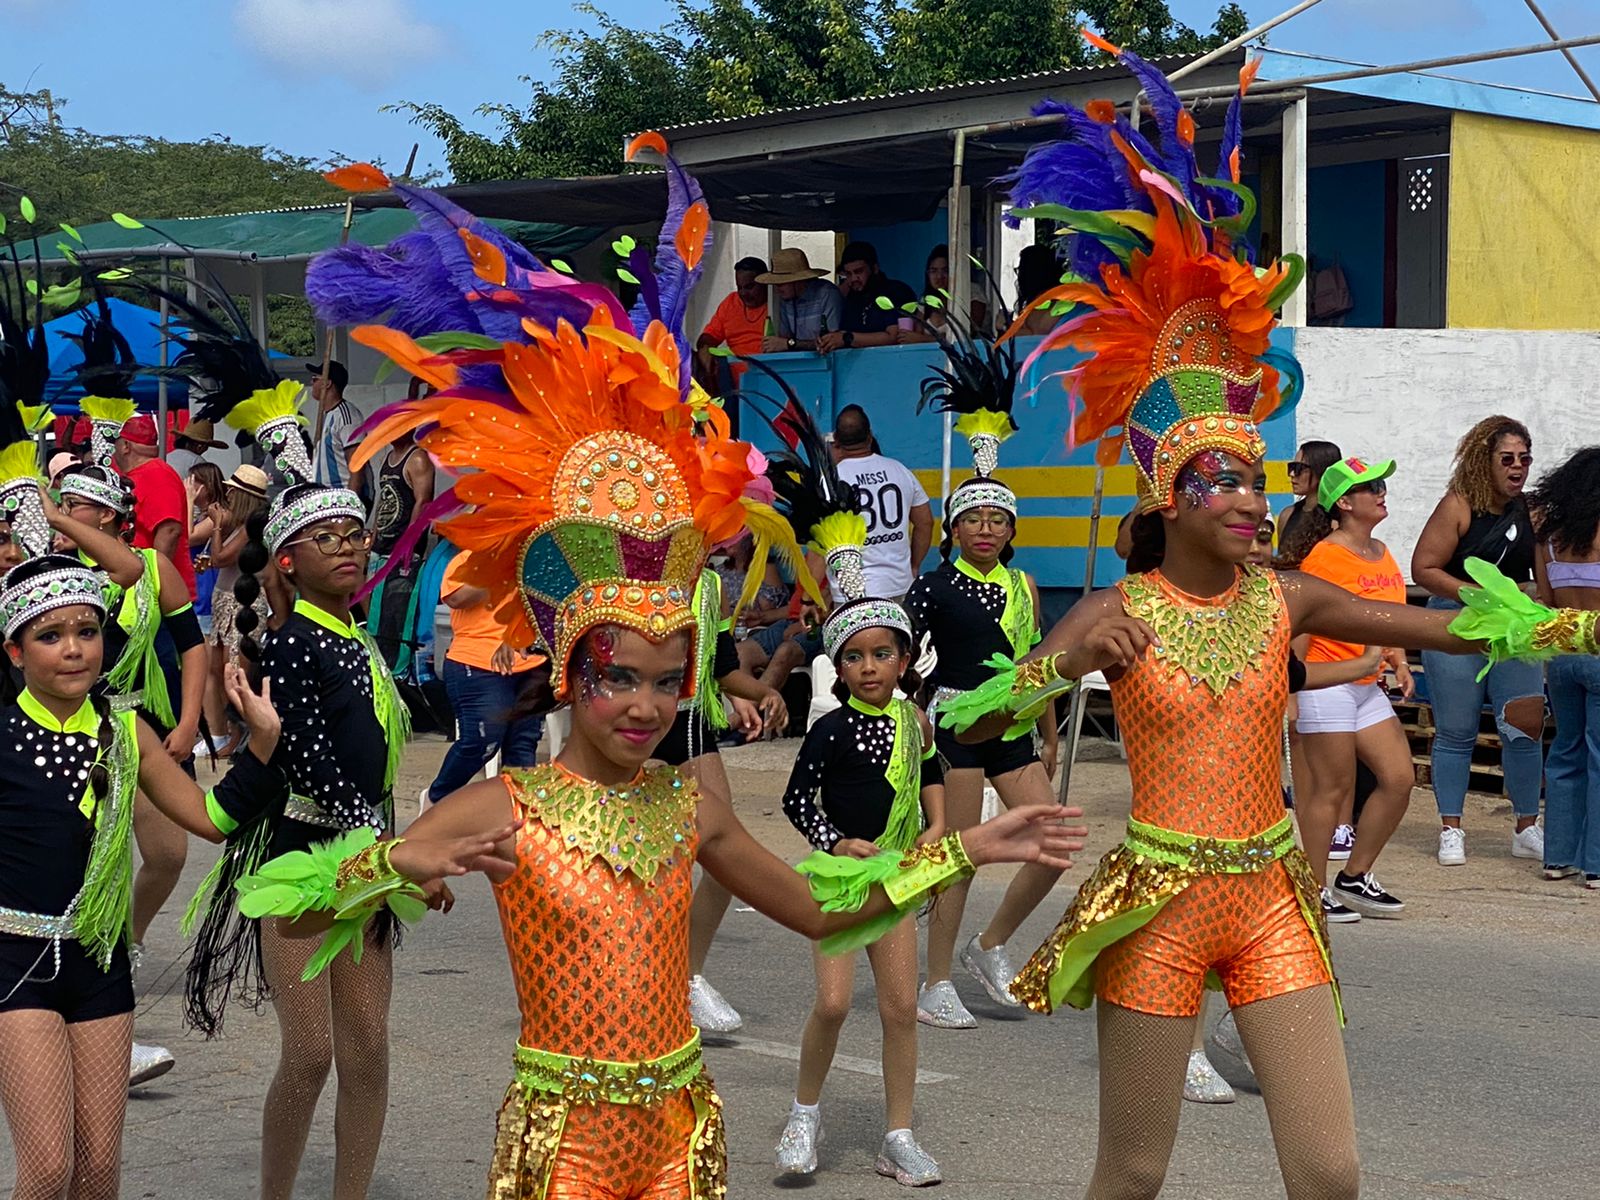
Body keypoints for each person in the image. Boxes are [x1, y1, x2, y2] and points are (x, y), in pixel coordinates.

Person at [233, 184, 1083, 1196]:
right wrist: (388, 868)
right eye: (617, 680)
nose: (644, 707)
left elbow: (817, 916)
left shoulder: (690, 806)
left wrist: (959, 849)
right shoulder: (511, 807)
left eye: (667, 683)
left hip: (684, 1136)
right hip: (565, 1150)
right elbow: (302, 903)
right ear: (566, 674)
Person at [932, 49, 1600, 1196]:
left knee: (1329, 1172)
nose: (1253, 500)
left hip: (1272, 898)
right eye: (1223, 481)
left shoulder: (1286, 596)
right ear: (1165, 496)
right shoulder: (1113, 608)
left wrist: (1576, 634)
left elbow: (1441, 629)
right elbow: (977, 712)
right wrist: (1057, 668)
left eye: (1259, 478)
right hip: (1155, 908)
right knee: (1133, 1175)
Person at [179, 377, 411, 1200]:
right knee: (310, 1054)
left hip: (368, 859)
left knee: (370, 1048)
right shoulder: (289, 641)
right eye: (329, 538)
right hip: (304, 855)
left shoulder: (357, 634)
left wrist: (388, 849)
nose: (350, 547)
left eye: (356, 534)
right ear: (288, 560)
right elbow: (305, 753)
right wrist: (382, 845)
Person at [0, 551, 286, 1200]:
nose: (74, 650)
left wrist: (263, 749)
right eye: (50, 636)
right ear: (15, 653)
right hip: (15, 963)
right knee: (47, 1171)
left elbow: (210, 820)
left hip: (101, 967)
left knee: (99, 1173)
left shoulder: (126, 729)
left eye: (87, 631)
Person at [903, 320, 1062, 1030]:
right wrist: (911, 715)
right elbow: (900, 655)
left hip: (1018, 725)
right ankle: (934, 980)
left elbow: (1037, 664)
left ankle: (989, 946)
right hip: (958, 724)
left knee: (1054, 844)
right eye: (976, 521)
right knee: (959, 857)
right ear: (956, 531)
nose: (988, 530)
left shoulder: (1025, 585)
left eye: (999, 520)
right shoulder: (935, 586)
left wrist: (1051, 728)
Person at [777, 572, 945, 1182]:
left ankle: (897, 1135)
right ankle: (804, 1115)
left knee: (901, 1008)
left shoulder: (916, 725)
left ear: (903, 661)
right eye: (855, 658)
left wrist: (938, 824)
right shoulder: (829, 729)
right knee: (833, 1002)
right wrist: (835, 842)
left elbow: (932, 771)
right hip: (841, 878)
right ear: (838, 668)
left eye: (882, 655)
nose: (869, 667)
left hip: (895, 875)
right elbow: (798, 800)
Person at [1277, 457, 1415, 922]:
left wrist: (1396, 658)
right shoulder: (1325, 558)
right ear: (1345, 503)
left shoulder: (1381, 551)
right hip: (1326, 681)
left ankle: (1355, 876)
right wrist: (1293, 691)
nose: (1381, 492)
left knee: (1399, 779)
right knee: (1329, 792)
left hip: (1365, 682)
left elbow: (1384, 614)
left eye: (1381, 485)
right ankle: (1311, 890)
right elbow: (1302, 624)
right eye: (1370, 486)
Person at [1412, 415, 1544, 867]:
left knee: (1524, 728)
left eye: (1524, 459)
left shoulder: (1533, 510)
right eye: (1506, 459)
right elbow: (1424, 568)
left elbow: (1543, 574)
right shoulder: (1459, 505)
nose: (1517, 468)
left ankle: (1527, 828)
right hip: (1457, 622)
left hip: (1513, 630)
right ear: (1482, 461)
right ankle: (1452, 828)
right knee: (1456, 731)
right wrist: (1478, 596)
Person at [423, 547, 548, 805]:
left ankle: (517, 815)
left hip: (531, 662)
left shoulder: (539, 556)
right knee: (482, 741)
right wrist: (504, 569)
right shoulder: (467, 558)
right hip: (477, 663)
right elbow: (457, 598)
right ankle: (438, 800)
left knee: (523, 744)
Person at [1529, 447, 1600, 886]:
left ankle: (1557, 856)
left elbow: (1547, 601)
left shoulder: (1550, 540)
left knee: (1564, 753)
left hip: (1561, 656)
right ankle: (1595, 863)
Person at [829, 405, 933, 602]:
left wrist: (808, 598)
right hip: (898, 584)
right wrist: (913, 565)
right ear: (870, 436)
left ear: (836, 440)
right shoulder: (899, 470)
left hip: (850, 592)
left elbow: (820, 546)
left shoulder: (832, 480)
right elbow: (925, 522)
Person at [205, 464, 273, 755]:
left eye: (232, 490)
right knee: (220, 670)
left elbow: (220, 558)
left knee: (236, 673)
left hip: (242, 604)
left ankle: (245, 734)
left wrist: (217, 525)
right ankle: (233, 733)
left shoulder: (250, 529)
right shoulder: (240, 526)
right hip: (225, 601)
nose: (227, 494)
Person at [112, 414, 198, 600]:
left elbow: (169, 531)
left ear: (126, 446)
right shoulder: (147, 473)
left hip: (160, 597)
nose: (113, 451)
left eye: (115, 444)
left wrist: (152, 586)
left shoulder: (157, 474)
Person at [820, 241, 917, 352]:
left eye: (859, 272)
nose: (853, 279)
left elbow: (894, 336)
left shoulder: (896, 291)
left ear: (874, 268)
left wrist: (847, 338)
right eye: (848, 274)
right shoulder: (852, 297)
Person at [759, 248, 844, 352]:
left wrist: (790, 344)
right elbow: (784, 338)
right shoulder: (786, 299)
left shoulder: (827, 294)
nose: (777, 290)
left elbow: (831, 342)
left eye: (780, 284)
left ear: (798, 280)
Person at [695, 255, 769, 373]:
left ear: (765, 283)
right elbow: (709, 336)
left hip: (769, 375)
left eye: (749, 287)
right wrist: (705, 349)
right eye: (740, 287)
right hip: (730, 382)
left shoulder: (777, 303)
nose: (743, 293)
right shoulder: (731, 302)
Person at [307, 359, 366, 500]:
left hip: (343, 498)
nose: (311, 383)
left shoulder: (347, 416)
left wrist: (351, 504)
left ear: (327, 383)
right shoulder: (327, 415)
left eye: (315, 379)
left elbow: (357, 466)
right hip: (328, 499)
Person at [1278, 440, 1342, 550]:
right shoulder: (1287, 515)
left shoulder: (1339, 521)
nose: (1292, 474)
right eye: (1292, 467)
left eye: (1299, 468)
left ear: (1320, 470)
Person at [1014, 244, 1063, 336]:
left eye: (1020, 270)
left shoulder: (1048, 302)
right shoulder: (1055, 298)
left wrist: (1006, 326)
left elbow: (1035, 334)